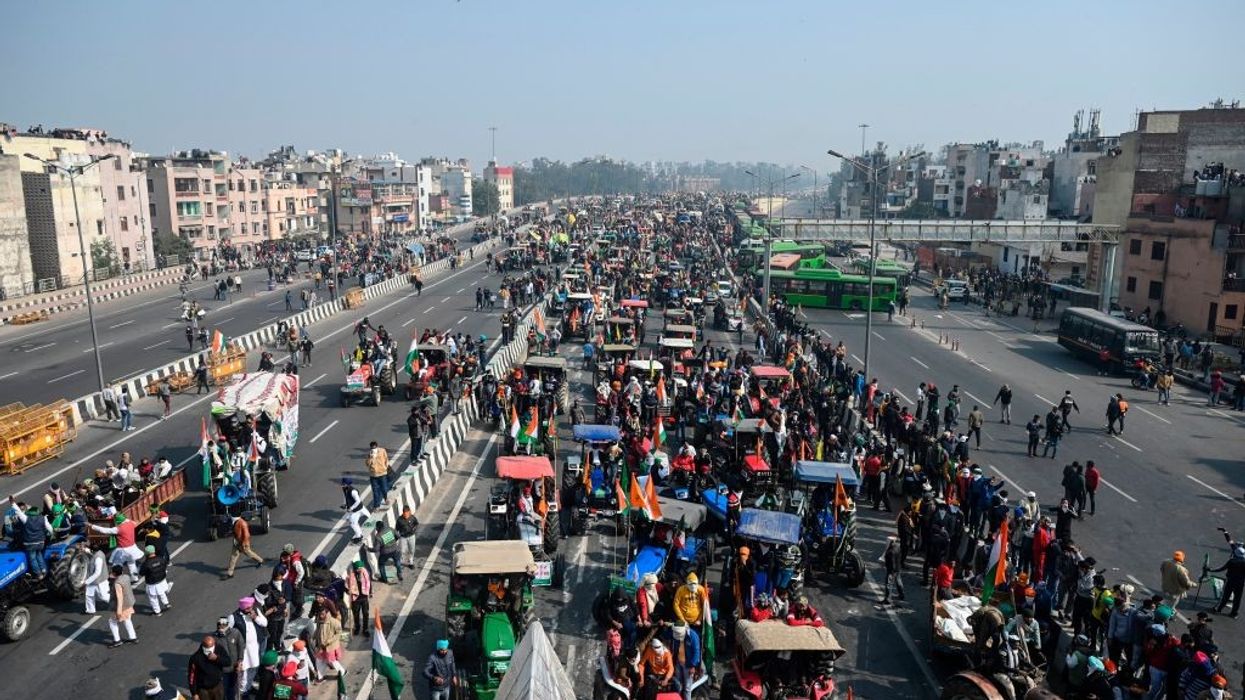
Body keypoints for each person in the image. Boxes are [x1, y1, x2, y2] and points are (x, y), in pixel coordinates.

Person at [187, 634, 231, 700]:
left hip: (217, 686)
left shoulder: (219, 649)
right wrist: (194, 693)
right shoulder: (195, 658)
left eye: (211, 648)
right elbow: (192, 677)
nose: (209, 652)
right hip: (203, 690)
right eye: (207, 649)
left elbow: (228, 662)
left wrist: (217, 658)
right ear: (203, 646)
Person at [1210, 544, 1245, 618]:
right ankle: (1234, 613)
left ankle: (1218, 609)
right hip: (1240, 583)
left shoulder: (1232, 561)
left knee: (1225, 596)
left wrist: (1211, 570)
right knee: (1237, 599)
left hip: (1230, 581)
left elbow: (1221, 568)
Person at [107, 564, 138, 648]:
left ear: (114, 573)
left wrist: (118, 611)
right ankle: (133, 637)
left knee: (112, 622)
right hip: (129, 603)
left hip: (122, 606)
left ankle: (117, 640)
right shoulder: (126, 577)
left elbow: (119, 597)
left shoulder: (117, 583)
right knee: (127, 619)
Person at [313, 607, 346, 680]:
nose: (321, 616)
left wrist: (329, 641)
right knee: (319, 660)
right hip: (321, 646)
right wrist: (314, 636)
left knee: (332, 661)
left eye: (322, 614)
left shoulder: (334, 622)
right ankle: (320, 676)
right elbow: (318, 630)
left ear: (326, 613)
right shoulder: (319, 620)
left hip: (330, 647)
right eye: (320, 614)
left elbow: (338, 633)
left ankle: (342, 672)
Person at [138, 545, 171, 616]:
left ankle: (157, 612)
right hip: (162, 580)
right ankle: (166, 603)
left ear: (147, 553)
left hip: (152, 583)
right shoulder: (161, 559)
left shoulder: (146, 564)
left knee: (153, 598)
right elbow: (165, 566)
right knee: (162, 593)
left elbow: (141, 573)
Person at [346, 560, 372, 636]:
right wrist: (348, 591)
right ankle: (357, 627)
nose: (360, 570)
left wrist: (370, 592)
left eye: (361, 568)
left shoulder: (365, 573)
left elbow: (369, 583)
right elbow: (346, 586)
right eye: (358, 568)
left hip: (364, 597)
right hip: (355, 598)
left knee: (365, 614)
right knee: (356, 614)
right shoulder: (351, 576)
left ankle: (365, 629)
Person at [84, 547, 110, 614]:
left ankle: (118, 602)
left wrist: (86, 582)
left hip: (100, 580)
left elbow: (97, 573)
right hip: (92, 580)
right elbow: (92, 554)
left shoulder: (98, 557)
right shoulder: (98, 553)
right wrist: (86, 551)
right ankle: (90, 610)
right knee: (89, 595)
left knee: (104, 597)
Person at [366, 440, 391, 510]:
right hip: (373, 475)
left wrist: (386, 467)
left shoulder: (382, 451)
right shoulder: (369, 454)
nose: (373, 449)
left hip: (382, 473)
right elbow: (367, 464)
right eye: (372, 448)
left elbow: (386, 459)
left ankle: (386, 498)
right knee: (375, 491)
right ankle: (376, 505)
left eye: (374, 448)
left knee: (384, 488)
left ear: (377, 446)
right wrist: (371, 457)